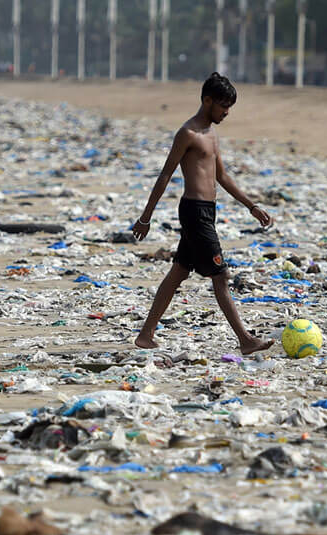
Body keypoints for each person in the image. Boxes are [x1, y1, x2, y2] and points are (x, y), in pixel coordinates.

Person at [130, 72, 275, 355]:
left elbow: (222, 176)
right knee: (221, 276)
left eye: (229, 106)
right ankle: (245, 340)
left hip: (208, 211)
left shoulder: (211, 134)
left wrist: (252, 206)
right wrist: (146, 218)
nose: (227, 112)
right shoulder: (188, 133)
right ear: (207, 100)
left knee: (178, 272)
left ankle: (146, 335)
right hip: (194, 212)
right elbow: (165, 175)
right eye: (223, 105)